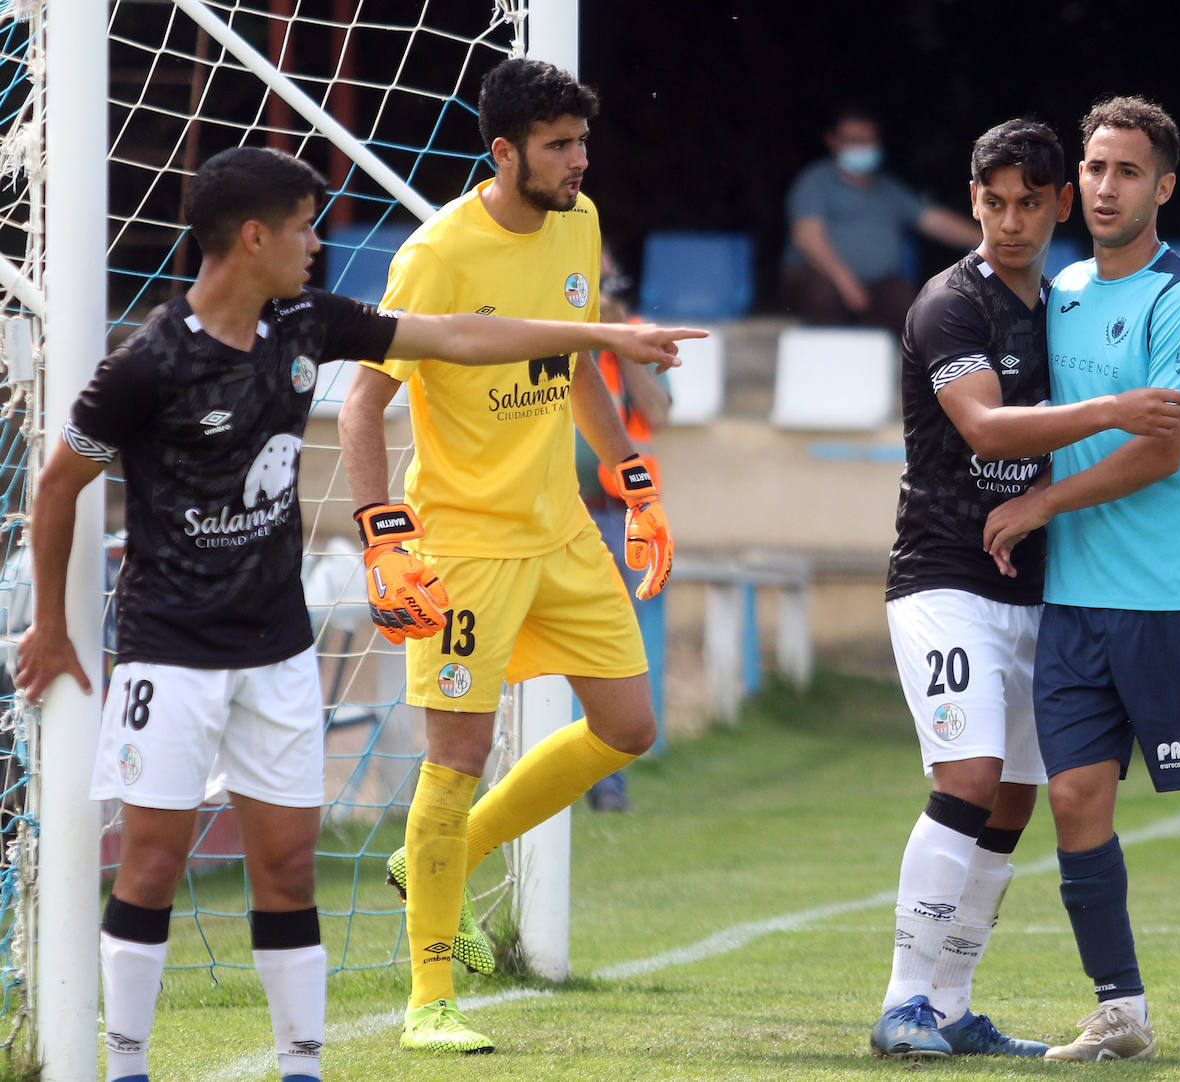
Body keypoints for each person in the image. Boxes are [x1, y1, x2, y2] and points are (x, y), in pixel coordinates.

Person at [13, 146, 701, 1082]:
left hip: (279, 649)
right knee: (148, 865)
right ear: (252, 237)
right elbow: (58, 486)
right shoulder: (151, 363)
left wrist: (599, 340)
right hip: (167, 651)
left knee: (291, 869)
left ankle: (304, 1065)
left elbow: (456, 336)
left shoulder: (306, 323)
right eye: (303, 226)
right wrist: (51, 626)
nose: (317, 243)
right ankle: (124, 1063)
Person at [337, 58, 677, 1054]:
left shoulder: (580, 220)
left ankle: (454, 850)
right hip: (466, 543)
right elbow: (363, 402)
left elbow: (572, 361)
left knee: (628, 726)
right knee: (457, 755)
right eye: (559, 145)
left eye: (582, 142)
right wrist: (381, 535)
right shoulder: (438, 254)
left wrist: (633, 477)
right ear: (503, 151)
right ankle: (429, 999)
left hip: (561, 527)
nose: (579, 161)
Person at [983, 96, 1180, 1066]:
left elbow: (1162, 444)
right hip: (1077, 606)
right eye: (1094, 168)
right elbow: (1130, 407)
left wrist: (1041, 503)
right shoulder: (1063, 289)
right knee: (1077, 799)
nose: (1106, 186)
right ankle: (1119, 1008)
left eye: (1127, 171)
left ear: (1163, 185)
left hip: (1174, 601)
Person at [869, 117, 1180, 1062]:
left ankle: (954, 1002)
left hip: (1040, 587)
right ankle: (903, 1003)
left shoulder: (1064, 305)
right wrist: (1108, 410)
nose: (1010, 222)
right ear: (972, 201)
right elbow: (985, 427)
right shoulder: (949, 305)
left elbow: (1145, 391)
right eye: (993, 202)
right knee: (968, 779)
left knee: (1015, 799)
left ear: (1060, 206)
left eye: (1029, 203)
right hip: (944, 578)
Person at [575, 248, 672, 812]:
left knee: (611, 655)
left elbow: (657, 411)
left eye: (609, 282)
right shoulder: (529, 330)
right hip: (543, 510)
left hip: (615, 514)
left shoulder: (633, 334)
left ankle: (608, 783)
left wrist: (617, 340)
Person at [781, 105, 983, 336]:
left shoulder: (889, 188)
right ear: (833, 141)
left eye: (868, 141)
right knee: (824, 295)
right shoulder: (815, 181)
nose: (862, 147)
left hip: (876, 283)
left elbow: (934, 220)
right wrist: (845, 281)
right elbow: (807, 237)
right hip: (822, 278)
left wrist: (988, 239)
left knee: (912, 306)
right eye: (854, 140)